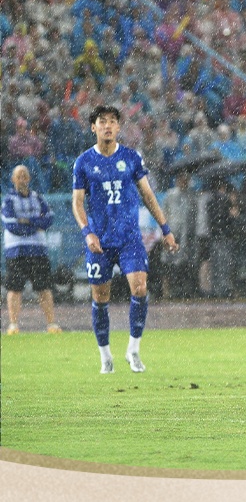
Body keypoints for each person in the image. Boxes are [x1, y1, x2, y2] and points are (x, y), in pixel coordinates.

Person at [72, 105, 179, 374]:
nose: (107, 125)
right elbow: (77, 203)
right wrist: (87, 233)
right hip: (100, 241)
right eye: (102, 121)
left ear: (119, 127)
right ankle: (105, 355)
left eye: (112, 121)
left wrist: (165, 228)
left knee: (140, 288)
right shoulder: (83, 162)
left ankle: (133, 350)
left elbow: (148, 195)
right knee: (100, 297)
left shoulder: (131, 158)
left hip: (129, 238)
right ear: (93, 127)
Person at [2, 165, 61, 335]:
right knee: (15, 288)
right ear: (13, 179)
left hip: (38, 250)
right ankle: (13, 325)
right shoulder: (8, 200)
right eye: (19, 176)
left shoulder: (38, 198)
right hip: (17, 250)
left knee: (44, 287)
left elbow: (49, 218)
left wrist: (26, 221)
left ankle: (51, 324)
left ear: (29, 178)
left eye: (25, 175)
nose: (22, 179)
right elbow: (11, 224)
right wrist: (35, 224)